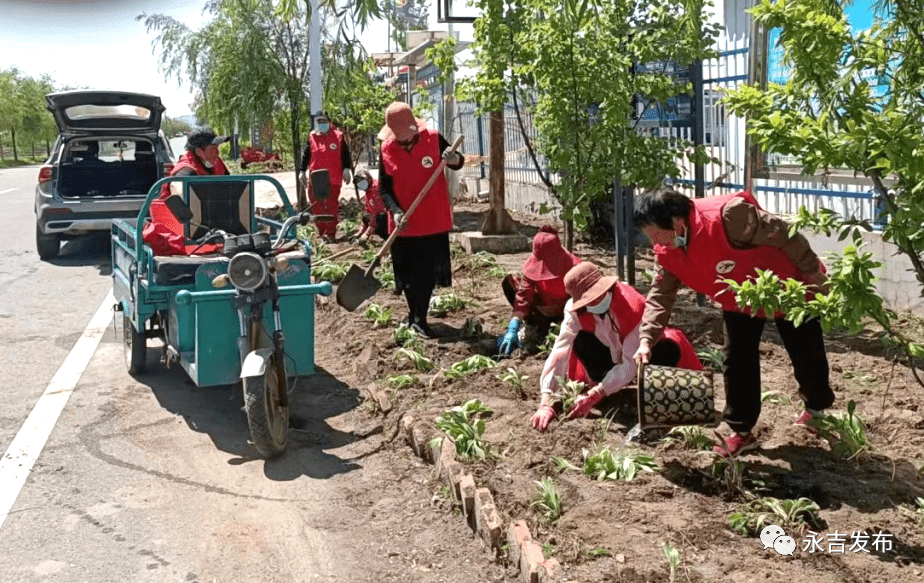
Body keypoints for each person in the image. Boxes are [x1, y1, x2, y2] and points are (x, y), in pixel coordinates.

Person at [631, 188, 834, 457]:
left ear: (677, 222)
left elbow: (784, 233)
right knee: (736, 361)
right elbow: (660, 296)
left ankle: (816, 411)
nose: (651, 239)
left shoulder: (729, 216)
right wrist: (647, 339)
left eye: (653, 231)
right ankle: (741, 431)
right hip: (741, 297)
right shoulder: (667, 251)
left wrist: (811, 272)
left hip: (789, 286)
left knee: (806, 351)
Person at [530, 261, 702, 432]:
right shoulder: (574, 311)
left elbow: (630, 362)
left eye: (599, 294)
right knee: (580, 339)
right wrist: (546, 400)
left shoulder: (633, 305)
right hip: (610, 354)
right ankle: (608, 386)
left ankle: (663, 395)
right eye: (590, 300)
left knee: (668, 345)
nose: (596, 300)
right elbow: (560, 350)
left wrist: (596, 393)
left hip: (643, 355)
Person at [377, 101, 465, 339]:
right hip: (403, 223)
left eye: (407, 137)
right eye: (400, 138)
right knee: (406, 275)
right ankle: (414, 315)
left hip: (431, 222)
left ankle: (420, 318)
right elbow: (384, 188)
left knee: (425, 274)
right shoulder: (385, 150)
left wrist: (453, 157)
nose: (404, 141)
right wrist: (395, 211)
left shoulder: (434, 139)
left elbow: (458, 163)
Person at [497, 225, 581, 356]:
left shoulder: (575, 268)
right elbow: (523, 296)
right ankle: (535, 325)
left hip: (568, 312)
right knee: (510, 282)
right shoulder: (531, 274)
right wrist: (513, 327)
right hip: (542, 312)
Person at [299, 113, 352, 240]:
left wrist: (346, 168)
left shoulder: (338, 136)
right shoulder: (312, 136)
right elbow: (306, 154)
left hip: (333, 177)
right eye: (319, 122)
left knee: (331, 205)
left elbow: (345, 154)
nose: (322, 124)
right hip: (316, 177)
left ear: (329, 122)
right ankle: (322, 231)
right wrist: (302, 171)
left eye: (324, 121)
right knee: (316, 204)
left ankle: (330, 233)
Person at [353, 169, 388, 247]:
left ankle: (385, 238)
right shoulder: (368, 191)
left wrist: (366, 234)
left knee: (380, 219)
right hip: (376, 217)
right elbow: (368, 211)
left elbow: (375, 214)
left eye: (363, 183)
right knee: (365, 216)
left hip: (385, 217)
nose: (362, 185)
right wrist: (361, 232)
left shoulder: (376, 191)